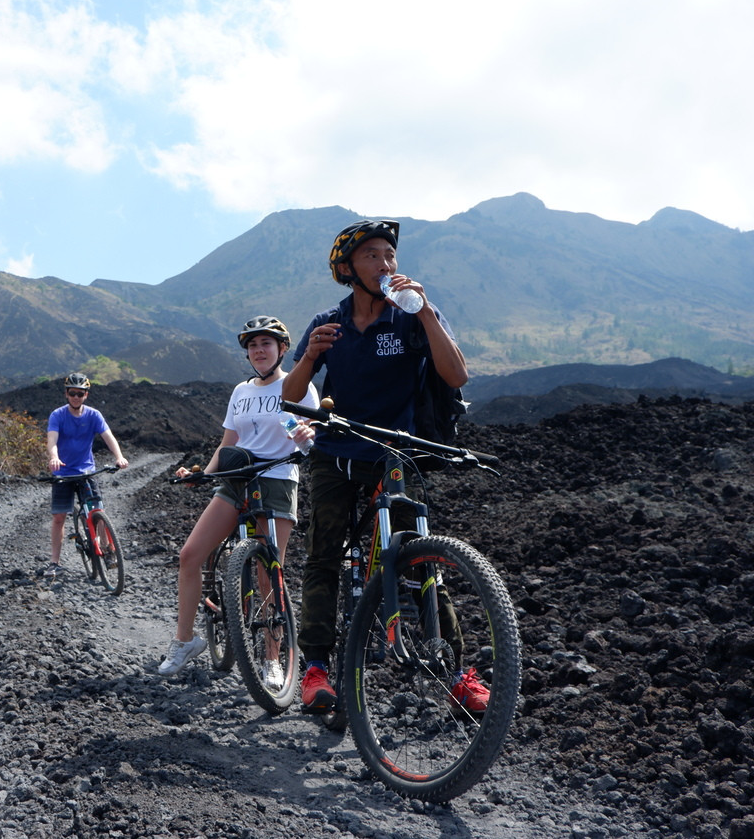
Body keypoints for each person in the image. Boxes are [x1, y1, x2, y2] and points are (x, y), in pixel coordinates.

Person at [281, 219, 489, 715]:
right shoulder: (327, 322)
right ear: (348, 268)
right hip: (337, 453)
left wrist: (427, 315)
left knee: (416, 555)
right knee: (323, 556)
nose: (386, 264)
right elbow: (291, 398)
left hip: (395, 453)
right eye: (373, 256)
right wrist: (310, 357)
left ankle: (455, 671)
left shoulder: (412, 315)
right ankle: (314, 669)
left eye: (389, 256)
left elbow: (456, 374)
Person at [157, 316, 318, 678]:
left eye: (266, 344)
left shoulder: (298, 385)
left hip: (276, 480)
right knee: (189, 555)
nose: (258, 351)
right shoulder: (241, 392)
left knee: (268, 573)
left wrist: (305, 435)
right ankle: (186, 641)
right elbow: (229, 443)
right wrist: (203, 474)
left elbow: (307, 434)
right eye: (252, 345)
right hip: (235, 481)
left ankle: (272, 658)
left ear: (281, 349)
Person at [45, 372, 129, 577]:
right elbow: (52, 441)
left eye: (80, 394)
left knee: (97, 513)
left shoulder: (94, 415)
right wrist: (54, 458)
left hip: (86, 471)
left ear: (86, 395)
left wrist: (119, 457)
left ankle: (108, 551)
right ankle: (54, 562)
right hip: (63, 472)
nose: (76, 397)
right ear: (66, 394)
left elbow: (108, 437)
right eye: (72, 393)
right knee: (59, 517)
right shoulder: (58, 415)